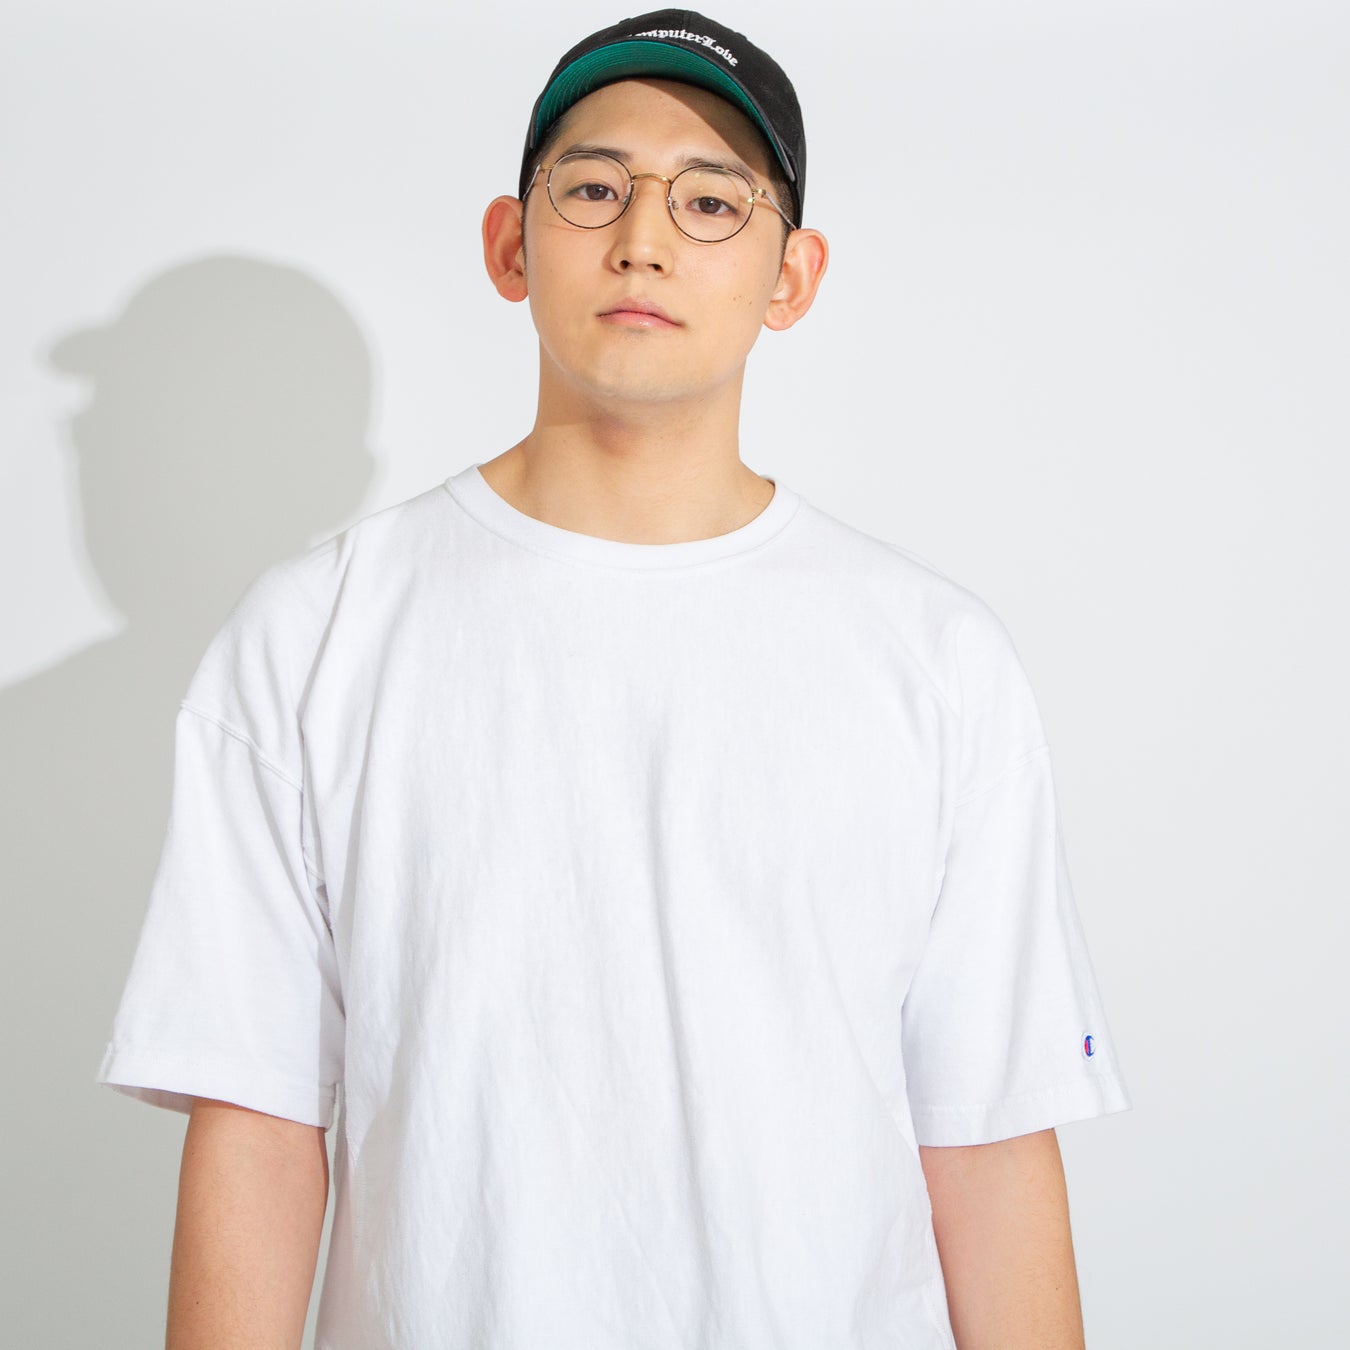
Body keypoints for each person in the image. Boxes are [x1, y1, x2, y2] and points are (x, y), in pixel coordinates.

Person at [95, 10, 1132, 1348]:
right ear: (508, 244)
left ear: (792, 274)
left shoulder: (931, 659)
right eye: (592, 188)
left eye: (711, 201)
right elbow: (256, 1119)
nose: (644, 236)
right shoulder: (316, 633)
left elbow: (987, 1139)